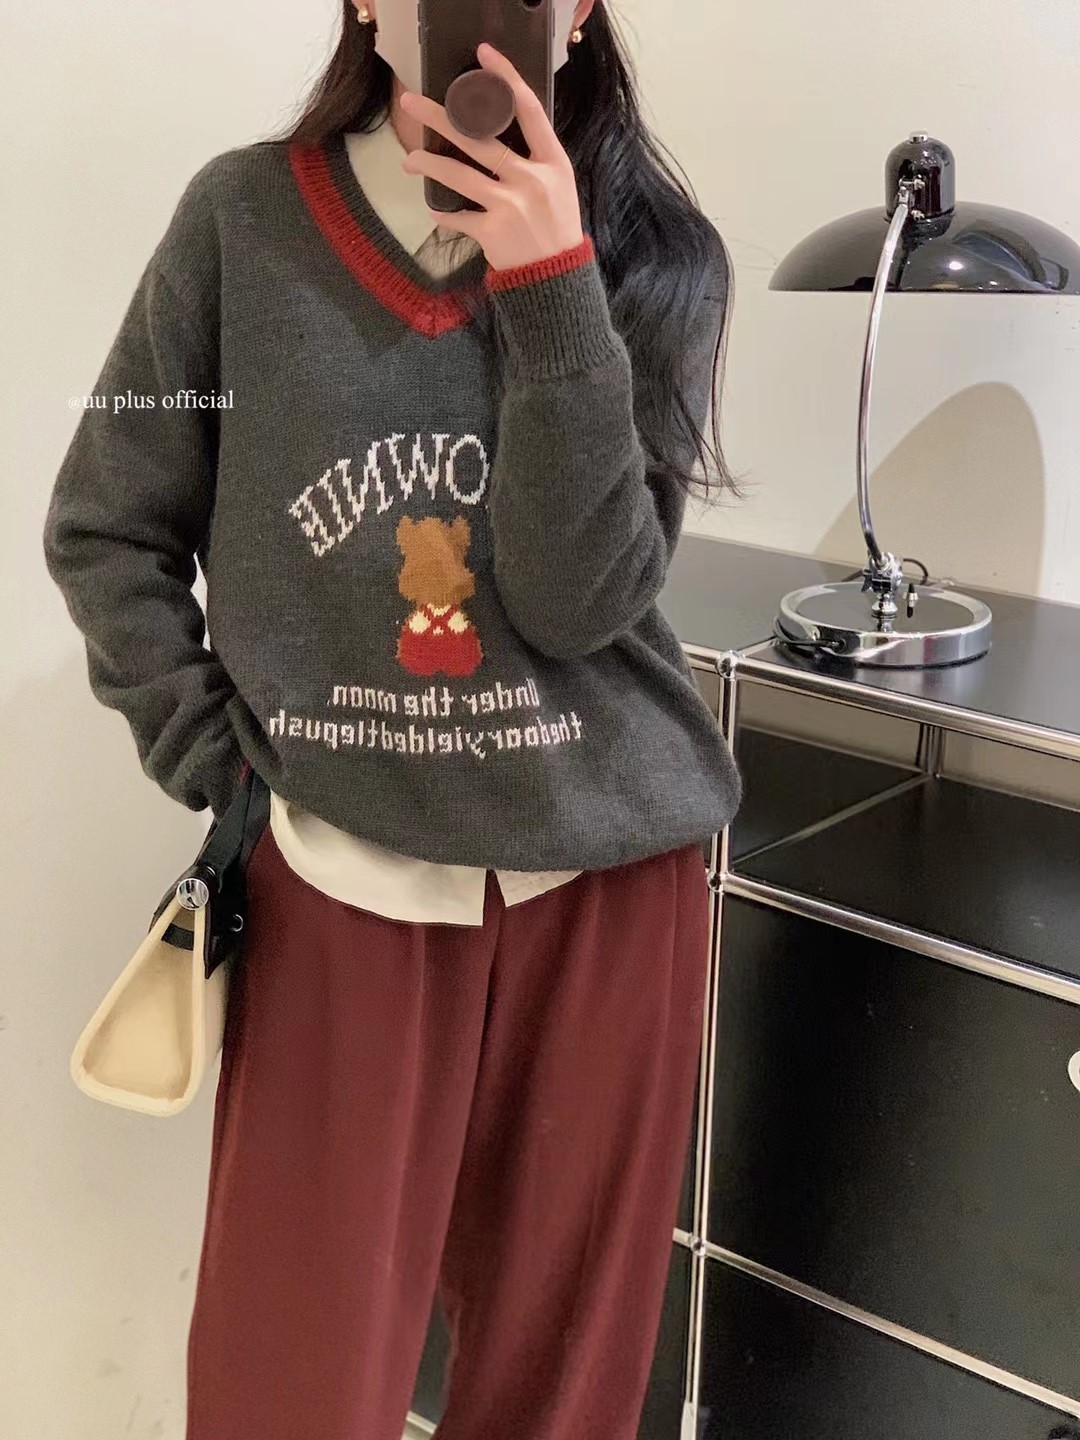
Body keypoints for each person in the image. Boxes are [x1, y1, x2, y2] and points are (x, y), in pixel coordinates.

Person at [42, 1, 742, 1435]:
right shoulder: (242, 225)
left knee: (558, 1394)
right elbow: (109, 524)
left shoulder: (659, 257)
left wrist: (553, 283)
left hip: (608, 886)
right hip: (339, 878)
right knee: (286, 1389)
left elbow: (582, 602)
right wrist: (225, 769)